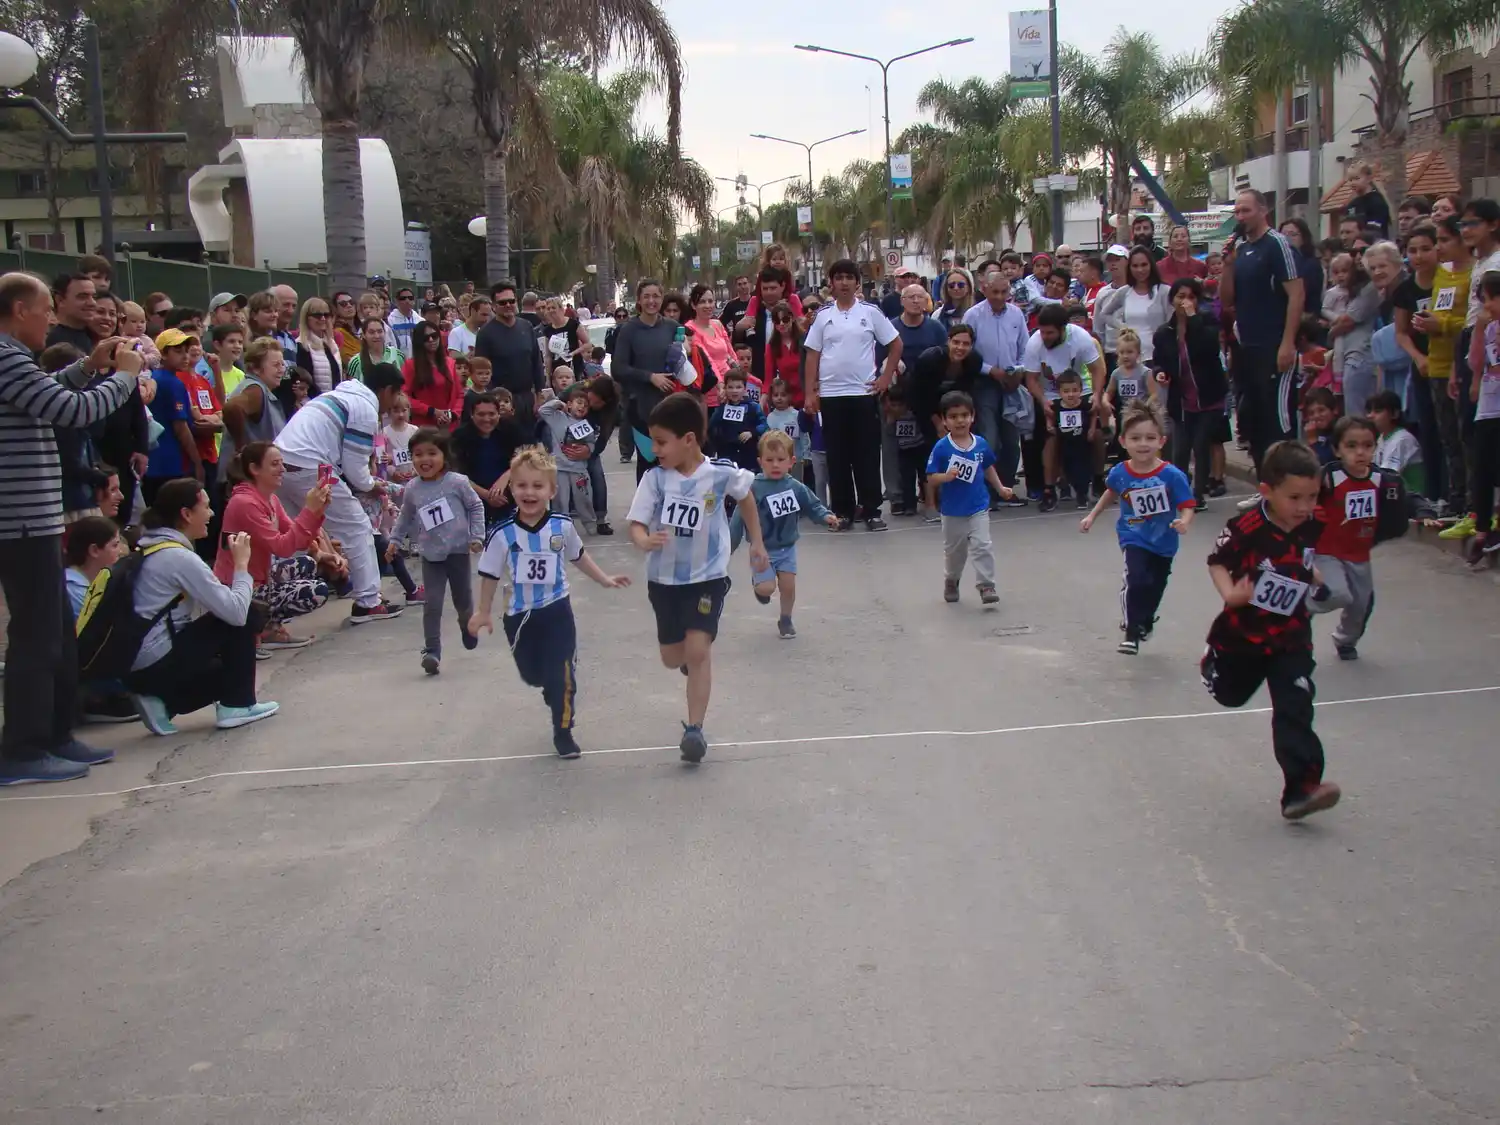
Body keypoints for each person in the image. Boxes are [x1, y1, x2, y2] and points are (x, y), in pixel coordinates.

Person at [0, 275, 149, 784]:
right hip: (18, 521)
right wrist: (124, 377)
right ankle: (22, 747)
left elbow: (51, 393)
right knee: (36, 635)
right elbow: (72, 412)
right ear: (20, 310)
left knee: (57, 631)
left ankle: (55, 734)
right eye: (44, 309)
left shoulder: (15, 361)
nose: (50, 320)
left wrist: (88, 367)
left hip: (35, 517)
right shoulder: (6, 356)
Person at [625, 392, 768, 763]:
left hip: (707, 578)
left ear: (688, 439)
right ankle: (687, 659)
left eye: (661, 442)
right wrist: (644, 540)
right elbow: (637, 523)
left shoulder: (720, 472)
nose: (655, 449)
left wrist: (756, 542)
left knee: (699, 651)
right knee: (674, 658)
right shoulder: (655, 480)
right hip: (663, 580)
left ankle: (694, 730)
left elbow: (747, 497)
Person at [1201, 440, 1339, 820]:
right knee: (1231, 696)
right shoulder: (1246, 527)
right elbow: (1217, 562)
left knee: (1295, 705)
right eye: (1295, 498)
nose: (1304, 507)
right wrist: (1232, 594)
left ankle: (1301, 788)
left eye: (1312, 497)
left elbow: (1301, 556)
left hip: (1291, 634)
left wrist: (1314, 577)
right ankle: (1214, 664)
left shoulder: (1313, 520)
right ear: (1267, 491)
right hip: (1244, 634)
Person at [471, 446, 631, 758]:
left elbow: (579, 557)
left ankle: (563, 731)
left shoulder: (562, 526)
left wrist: (604, 579)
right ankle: (548, 686)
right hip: (519, 615)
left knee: (563, 675)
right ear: (512, 488)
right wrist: (482, 611)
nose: (529, 492)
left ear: (551, 490)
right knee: (533, 675)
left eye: (537, 486)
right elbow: (489, 574)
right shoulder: (502, 534)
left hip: (557, 610)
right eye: (521, 486)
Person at [124, 478, 280, 735]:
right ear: (186, 514)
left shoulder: (149, 546)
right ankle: (236, 705)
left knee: (224, 670)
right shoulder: (178, 557)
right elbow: (236, 613)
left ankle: (160, 701)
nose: (211, 513)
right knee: (246, 614)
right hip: (157, 662)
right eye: (206, 507)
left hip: (140, 667)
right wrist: (242, 565)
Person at [273, 362, 407, 623]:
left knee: (294, 534)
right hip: (310, 464)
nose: (394, 403)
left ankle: (280, 607)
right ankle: (368, 602)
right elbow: (357, 471)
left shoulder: (337, 396)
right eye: (395, 395)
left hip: (281, 463)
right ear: (387, 390)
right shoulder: (364, 409)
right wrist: (373, 484)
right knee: (356, 526)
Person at [1080, 398, 1195, 653]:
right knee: (1136, 578)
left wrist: (1184, 521)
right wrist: (1092, 516)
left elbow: (1188, 504)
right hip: (1133, 537)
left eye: (1150, 438)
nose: (1143, 444)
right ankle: (1131, 631)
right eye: (1135, 438)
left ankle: (1145, 620)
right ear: (1123, 442)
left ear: (1161, 441)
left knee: (1155, 585)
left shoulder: (1172, 475)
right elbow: (1111, 492)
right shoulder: (1120, 472)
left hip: (1164, 542)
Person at [804, 260, 901, 531]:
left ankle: (871, 511)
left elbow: (895, 344)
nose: (844, 282)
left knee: (867, 454)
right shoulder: (823, 316)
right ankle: (843, 511)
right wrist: (811, 392)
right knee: (837, 455)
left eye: (849, 277)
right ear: (831, 283)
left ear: (857, 283)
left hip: (863, 393)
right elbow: (812, 354)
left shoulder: (870, 312)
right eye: (839, 278)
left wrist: (884, 378)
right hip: (832, 396)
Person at [1221, 189, 1305, 475]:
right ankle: (1266, 484)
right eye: (1238, 212)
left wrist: (1288, 343)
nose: (1241, 217)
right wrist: (1227, 267)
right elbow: (1227, 299)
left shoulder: (1277, 245)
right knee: (1250, 417)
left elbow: (1296, 294)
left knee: (1277, 420)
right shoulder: (1242, 250)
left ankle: (1287, 479)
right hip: (1247, 349)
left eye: (1246, 210)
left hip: (1274, 345)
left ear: (1262, 210)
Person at [215, 441, 330, 648]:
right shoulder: (244, 503)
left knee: (307, 564)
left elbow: (298, 538)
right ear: (254, 469)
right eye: (275, 464)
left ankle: (267, 627)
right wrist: (308, 511)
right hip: (239, 587)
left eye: (282, 463)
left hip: (260, 578)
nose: (283, 469)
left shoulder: (270, 499)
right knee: (317, 591)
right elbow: (282, 547)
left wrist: (317, 511)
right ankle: (257, 628)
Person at [388, 427, 485, 675]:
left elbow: (476, 507)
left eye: (432, 453)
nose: (425, 459)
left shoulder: (457, 482)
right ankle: (432, 651)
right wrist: (394, 540)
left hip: (458, 551)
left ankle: (467, 626)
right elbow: (405, 516)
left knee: (463, 601)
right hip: (431, 555)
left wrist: (476, 536)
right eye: (418, 454)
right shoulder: (412, 488)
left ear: (444, 456)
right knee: (432, 604)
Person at [728, 429, 837, 637]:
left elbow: (813, 506)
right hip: (761, 550)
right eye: (770, 460)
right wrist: (728, 547)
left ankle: (786, 619)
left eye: (781, 459)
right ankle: (758, 585)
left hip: (787, 548)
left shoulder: (796, 487)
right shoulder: (752, 488)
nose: (775, 465)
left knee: (788, 586)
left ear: (792, 461)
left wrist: (826, 517)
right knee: (767, 589)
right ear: (760, 461)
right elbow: (738, 519)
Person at [1309, 415, 1386, 659]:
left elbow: (1404, 496)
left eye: (1367, 445)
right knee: (1338, 593)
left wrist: (1422, 510)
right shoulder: (1329, 477)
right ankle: (1295, 608)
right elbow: (1300, 493)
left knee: (1360, 604)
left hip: (1359, 554)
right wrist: (1311, 509)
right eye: (1351, 446)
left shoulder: (1381, 479)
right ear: (1337, 449)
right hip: (1327, 551)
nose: (1360, 453)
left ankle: (1345, 640)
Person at [926, 390, 1014, 605]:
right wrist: (946, 477)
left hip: (978, 507)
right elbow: (931, 478)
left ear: (972, 417)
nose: (960, 421)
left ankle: (986, 584)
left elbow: (987, 467)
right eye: (954, 417)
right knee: (955, 553)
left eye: (964, 415)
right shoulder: (942, 448)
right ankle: (951, 579)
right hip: (952, 511)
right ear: (945, 420)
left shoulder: (981, 444)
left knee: (983, 545)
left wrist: (1001, 488)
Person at [1020, 303, 1107, 513]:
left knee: (1094, 434)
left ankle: (1097, 478)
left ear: (1063, 329)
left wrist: (1096, 395)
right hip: (1052, 395)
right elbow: (1031, 379)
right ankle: (1049, 488)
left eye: (1050, 332)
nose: (1045, 336)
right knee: (1052, 439)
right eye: (1042, 331)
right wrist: (1043, 402)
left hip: (1081, 390)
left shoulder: (1081, 337)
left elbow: (1098, 369)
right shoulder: (1034, 343)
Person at [1152, 277, 1228, 507]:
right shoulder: (1165, 332)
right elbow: (1159, 361)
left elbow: (1209, 348)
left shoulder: (1207, 323)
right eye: (1181, 296)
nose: (1186, 302)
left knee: (1201, 443)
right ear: (1172, 300)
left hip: (1208, 397)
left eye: (1191, 297)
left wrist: (1194, 319)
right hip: (1182, 399)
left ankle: (1198, 494)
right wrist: (1159, 372)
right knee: (1181, 448)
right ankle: (1181, 491)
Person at [613, 279, 682, 481]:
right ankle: (645, 510)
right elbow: (618, 369)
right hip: (640, 407)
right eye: (647, 296)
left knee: (671, 463)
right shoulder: (628, 330)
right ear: (639, 301)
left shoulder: (672, 327)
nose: (652, 301)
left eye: (656, 296)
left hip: (669, 406)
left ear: (662, 298)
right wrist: (650, 377)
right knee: (648, 464)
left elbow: (688, 357)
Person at [143, 328, 206, 503]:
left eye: (186, 351)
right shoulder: (171, 382)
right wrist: (197, 462)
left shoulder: (156, 377)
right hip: (167, 463)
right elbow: (181, 427)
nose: (185, 356)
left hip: (153, 462)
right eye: (178, 351)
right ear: (162, 354)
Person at [1464, 270, 1500, 560]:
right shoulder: (1487, 328)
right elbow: (1476, 362)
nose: (1487, 306)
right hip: (1487, 408)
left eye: (1491, 299)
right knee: (1482, 470)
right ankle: (1481, 530)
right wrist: (1478, 330)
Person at [474, 282, 545, 428]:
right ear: (494, 306)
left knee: (530, 447)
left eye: (511, 301)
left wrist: (539, 396)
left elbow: (537, 362)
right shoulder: (485, 334)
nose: (508, 305)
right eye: (502, 302)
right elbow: (481, 371)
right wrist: (495, 404)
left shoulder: (526, 326)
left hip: (527, 401)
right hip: (501, 404)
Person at [452, 390, 526, 526]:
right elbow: (455, 474)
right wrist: (487, 495)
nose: (487, 419)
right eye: (481, 414)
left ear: (498, 414)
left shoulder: (510, 429)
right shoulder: (459, 436)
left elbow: (528, 456)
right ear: (472, 415)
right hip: (472, 499)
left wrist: (505, 477)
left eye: (491, 414)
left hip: (508, 497)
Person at [1322, 251, 1380, 413]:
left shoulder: (1369, 289)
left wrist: (1331, 332)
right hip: (1351, 352)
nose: (1359, 257)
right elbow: (1325, 310)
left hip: (1359, 354)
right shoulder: (1335, 292)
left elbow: (1346, 321)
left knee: (1357, 409)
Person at [221, 337, 289, 471]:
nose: (282, 370)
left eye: (282, 364)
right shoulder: (255, 390)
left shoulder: (260, 389)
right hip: (243, 481)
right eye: (276, 365)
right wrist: (242, 449)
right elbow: (231, 408)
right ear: (255, 368)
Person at [539, 385, 601, 530]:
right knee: (560, 499)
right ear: (569, 404)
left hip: (579, 469)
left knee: (584, 497)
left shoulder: (586, 425)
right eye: (579, 402)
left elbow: (592, 443)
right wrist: (558, 403)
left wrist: (588, 450)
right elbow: (543, 411)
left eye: (586, 405)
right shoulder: (557, 418)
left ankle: (589, 522)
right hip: (559, 467)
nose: (582, 407)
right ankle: (561, 524)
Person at [1094, 248, 1171, 364]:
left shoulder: (1164, 291)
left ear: (1151, 265)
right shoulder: (1124, 292)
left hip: (1158, 357)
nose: (1140, 270)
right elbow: (1105, 314)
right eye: (1135, 266)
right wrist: (1122, 327)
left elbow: (1171, 322)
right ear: (1129, 268)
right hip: (1131, 360)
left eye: (1144, 265)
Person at [402, 321, 462, 430]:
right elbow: (404, 397)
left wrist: (452, 415)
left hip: (449, 426)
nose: (431, 340)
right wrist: (431, 411)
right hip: (424, 427)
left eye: (434, 336)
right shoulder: (411, 365)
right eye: (426, 338)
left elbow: (459, 394)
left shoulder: (450, 363)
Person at [707, 368, 767, 470]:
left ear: (744, 389)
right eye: (730, 387)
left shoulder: (753, 406)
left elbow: (764, 425)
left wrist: (752, 432)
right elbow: (711, 426)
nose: (734, 391)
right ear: (725, 389)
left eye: (738, 387)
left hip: (748, 456)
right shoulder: (722, 408)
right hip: (726, 457)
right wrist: (720, 407)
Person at [1367, 389, 1425, 495]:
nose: (1370, 416)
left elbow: (1387, 476)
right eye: (1369, 411)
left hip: (1411, 501)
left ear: (1394, 414)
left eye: (1377, 411)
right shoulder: (1382, 437)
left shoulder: (1402, 439)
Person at [294, 298, 343, 393]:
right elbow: (307, 383)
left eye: (326, 315)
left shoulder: (331, 344)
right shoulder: (302, 346)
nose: (323, 319)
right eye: (317, 315)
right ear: (306, 318)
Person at [1278, 218, 1325, 310]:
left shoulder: (1311, 264)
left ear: (1304, 238)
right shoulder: (1278, 262)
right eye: (1283, 235)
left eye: (1293, 234)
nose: (1287, 239)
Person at [539, 296, 591, 378]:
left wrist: (573, 353)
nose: (551, 310)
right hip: (557, 370)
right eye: (548, 308)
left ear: (560, 309)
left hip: (574, 367)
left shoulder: (573, 324)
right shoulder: (548, 330)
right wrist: (548, 376)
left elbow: (588, 344)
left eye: (553, 307)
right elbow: (548, 355)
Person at [345, 316, 403, 384]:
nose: (377, 336)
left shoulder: (398, 355)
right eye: (371, 332)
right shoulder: (356, 362)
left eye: (380, 331)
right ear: (363, 335)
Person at [1343, 161, 1391, 238]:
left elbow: (1375, 230)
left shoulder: (1376, 202)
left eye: (1356, 178)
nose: (1353, 183)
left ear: (1368, 179)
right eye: (1350, 180)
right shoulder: (1352, 205)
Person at [387, 286, 421, 356]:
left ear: (414, 301)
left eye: (410, 298)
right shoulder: (390, 320)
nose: (407, 300)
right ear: (396, 301)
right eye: (403, 298)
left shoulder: (420, 320)